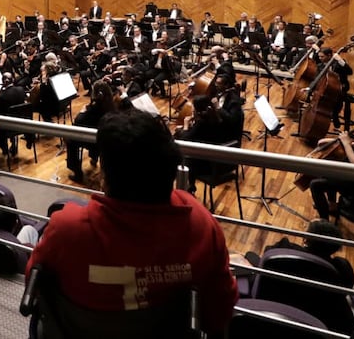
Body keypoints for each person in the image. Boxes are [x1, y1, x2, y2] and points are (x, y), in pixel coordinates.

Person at [26, 109, 237, 332]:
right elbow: (220, 309)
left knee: (29, 233)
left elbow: (36, 283)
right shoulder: (202, 226)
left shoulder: (66, 229)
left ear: (105, 178)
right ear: (170, 172)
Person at [235, 219, 354, 288]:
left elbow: (265, 259)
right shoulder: (340, 272)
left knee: (250, 255)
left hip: (272, 293)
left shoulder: (284, 249)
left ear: (306, 239)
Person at [65, 79, 115, 183]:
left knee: (70, 139)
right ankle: (94, 157)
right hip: (108, 140)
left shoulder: (92, 110)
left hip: (96, 141)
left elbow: (77, 123)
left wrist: (83, 111)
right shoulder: (113, 105)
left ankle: (77, 172)